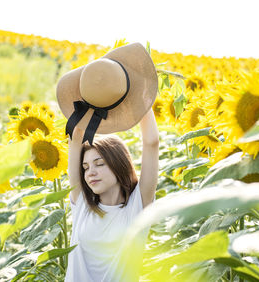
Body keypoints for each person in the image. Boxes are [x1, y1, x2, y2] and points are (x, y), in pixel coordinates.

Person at [56, 43, 159, 281]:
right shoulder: (81, 202)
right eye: (85, 167)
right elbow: (76, 138)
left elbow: (151, 142)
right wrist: (95, 90)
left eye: (100, 163)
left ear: (118, 164)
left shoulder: (138, 207)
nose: (90, 172)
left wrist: (139, 96)